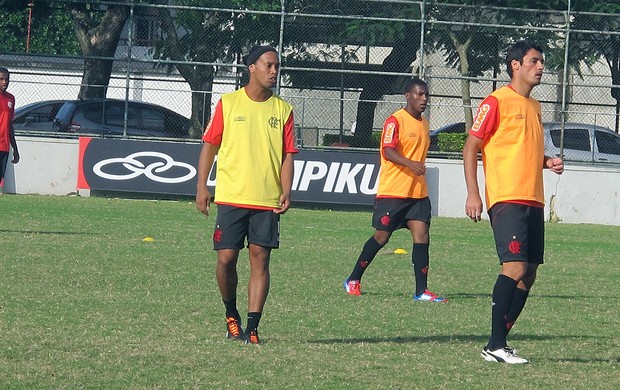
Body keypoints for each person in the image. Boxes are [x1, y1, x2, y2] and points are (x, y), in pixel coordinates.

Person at [463, 40, 564, 364]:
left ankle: (499, 343)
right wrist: (474, 192)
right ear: (515, 65)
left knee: (530, 272)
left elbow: (523, 150)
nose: (541, 67)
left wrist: (547, 161)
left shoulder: (534, 107)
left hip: (533, 198)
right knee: (515, 266)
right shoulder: (496, 101)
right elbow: (471, 146)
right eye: (534, 61)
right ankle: (494, 345)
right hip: (507, 197)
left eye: (542, 62)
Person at [195, 45, 297, 345]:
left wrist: (286, 190)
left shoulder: (283, 110)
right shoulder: (229, 104)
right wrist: (202, 185)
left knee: (260, 260)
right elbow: (210, 146)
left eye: (277, 66)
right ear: (251, 67)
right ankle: (231, 315)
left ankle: (252, 327)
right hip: (231, 197)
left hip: (266, 200)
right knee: (226, 259)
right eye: (268, 65)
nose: (274, 71)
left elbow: (288, 155)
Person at [343, 78, 447, 303]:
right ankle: (353, 279)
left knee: (422, 237)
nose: (424, 99)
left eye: (426, 95)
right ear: (407, 96)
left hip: (418, 193)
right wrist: (410, 164)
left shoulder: (425, 124)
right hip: (394, 192)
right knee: (381, 237)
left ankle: (421, 291)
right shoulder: (395, 121)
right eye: (419, 94)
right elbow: (388, 151)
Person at [0, 67, 20, 192]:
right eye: (1, 79)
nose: (4, 82)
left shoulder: (10, 98)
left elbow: (9, 125)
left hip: (4, 146)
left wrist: (15, 149)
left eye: (7, 79)